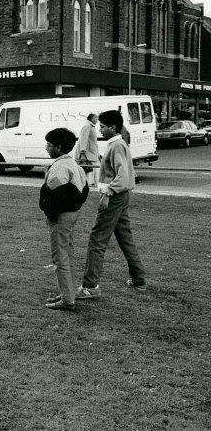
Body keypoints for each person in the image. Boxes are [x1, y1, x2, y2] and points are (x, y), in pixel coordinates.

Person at [77, 110, 146, 299]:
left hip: (115, 196)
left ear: (112, 127)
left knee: (97, 239)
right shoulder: (118, 144)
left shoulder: (116, 146)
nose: (100, 129)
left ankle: (90, 286)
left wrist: (107, 193)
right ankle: (138, 278)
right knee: (125, 238)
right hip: (121, 196)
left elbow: (122, 176)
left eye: (103, 126)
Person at [39, 128, 89, 311]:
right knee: (67, 253)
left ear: (58, 147)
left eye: (49, 145)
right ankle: (68, 293)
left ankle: (68, 300)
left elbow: (53, 195)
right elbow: (84, 190)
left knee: (60, 257)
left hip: (61, 217)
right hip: (71, 214)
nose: (46, 148)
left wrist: (51, 215)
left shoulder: (60, 167)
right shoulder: (74, 164)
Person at [76, 113, 99, 187]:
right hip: (89, 152)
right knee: (89, 167)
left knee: (91, 167)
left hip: (91, 151)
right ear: (91, 119)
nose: (97, 120)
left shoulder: (90, 127)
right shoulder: (87, 127)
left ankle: (91, 182)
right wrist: (82, 151)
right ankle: (89, 182)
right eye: (96, 118)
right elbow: (83, 139)